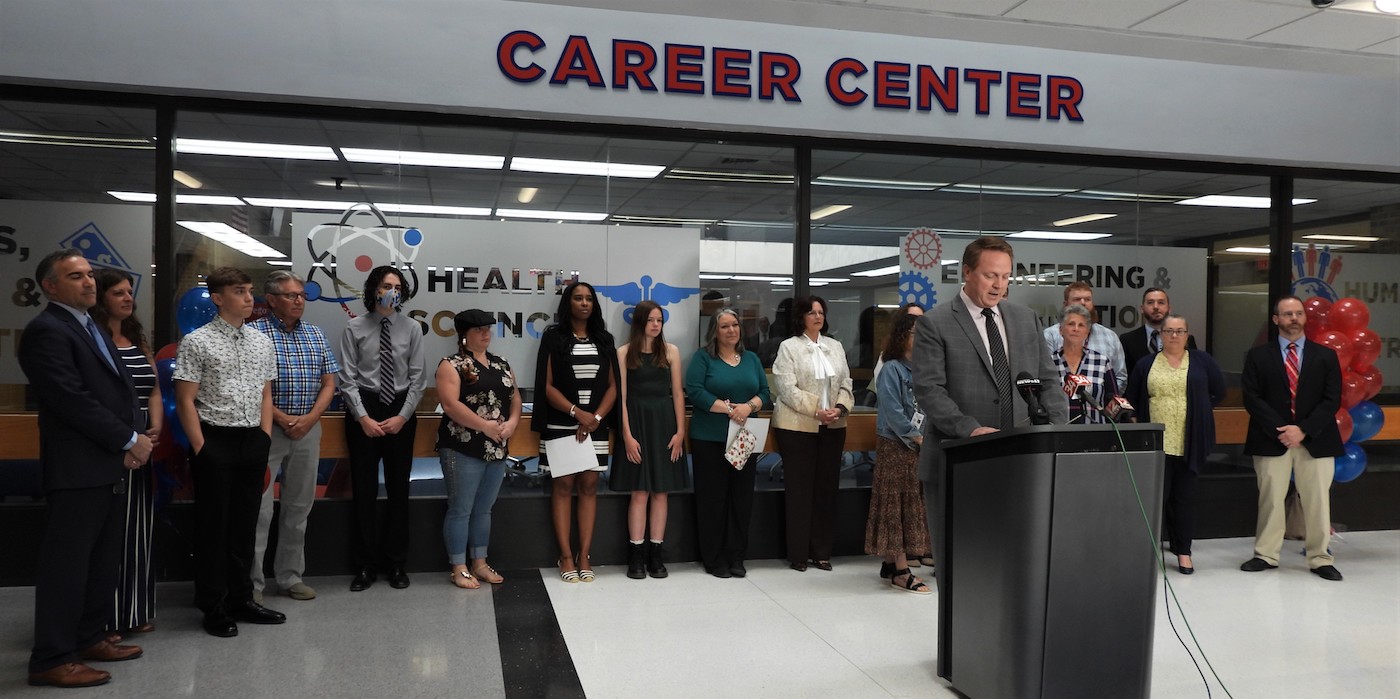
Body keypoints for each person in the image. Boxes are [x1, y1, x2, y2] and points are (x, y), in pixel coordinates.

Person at [20, 250, 151, 687]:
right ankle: (52, 659)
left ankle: (90, 637)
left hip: (109, 463)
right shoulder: (45, 331)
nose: (89, 283)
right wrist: (129, 439)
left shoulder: (90, 324)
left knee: (101, 561)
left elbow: (121, 388)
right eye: (76, 277)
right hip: (77, 468)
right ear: (51, 286)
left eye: (90, 275)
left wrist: (134, 437)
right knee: (67, 566)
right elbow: (71, 399)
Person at [911, 237, 1067, 579]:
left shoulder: (1025, 319)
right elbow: (929, 390)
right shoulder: (935, 323)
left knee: (1015, 568)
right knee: (963, 572)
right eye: (990, 275)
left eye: (1005, 276)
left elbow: (1049, 383)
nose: (999, 285)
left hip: (1022, 463)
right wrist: (970, 429)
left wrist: (1056, 432)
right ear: (966, 272)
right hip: (960, 460)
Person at [173, 266, 285, 636]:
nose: (249, 297)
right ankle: (213, 604)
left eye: (250, 290)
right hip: (214, 439)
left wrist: (265, 436)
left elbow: (266, 393)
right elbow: (186, 400)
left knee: (244, 525)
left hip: (252, 440)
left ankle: (242, 598)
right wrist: (201, 446)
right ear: (218, 298)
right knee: (213, 527)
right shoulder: (197, 341)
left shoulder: (261, 341)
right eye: (239, 291)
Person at [248, 271, 339, 603]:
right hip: (267, 430)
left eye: (301, 295)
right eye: (291, 295)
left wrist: (311, 418)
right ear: (271, 300)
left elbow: (330, 382)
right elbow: (253, 385)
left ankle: (289, 577)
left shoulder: (315, 334)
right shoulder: (254, 334)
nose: (299, 300)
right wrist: (283, 419)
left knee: (298, 507)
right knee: (259, 511)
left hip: (308, 430)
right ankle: (253, 585)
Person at [1239, 296, 1345, 581]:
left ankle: (1320, 558)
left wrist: (1304, 430)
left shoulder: (1326, 356)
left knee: (1317, 501)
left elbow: (1331, 399)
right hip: (1272, 439)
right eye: (1287, 314)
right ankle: (1266, 554)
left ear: (1305, 318)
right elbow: (1253, 398)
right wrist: (1284, 429)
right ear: (1276, 319)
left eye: (1298, 313)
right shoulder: (1258, 356)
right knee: (1271, 499)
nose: (1294, 319)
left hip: (1316, 439)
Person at [338, 265, 425, 592]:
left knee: (399, 490)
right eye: (387, 285)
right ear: (374, 289)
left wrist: (402, 416)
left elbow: (418, 378)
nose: (393, 291)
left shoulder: (412, 328)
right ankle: (364, 567)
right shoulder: (354, 327)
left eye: (398, 286)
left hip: (400, 409)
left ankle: (397, 564)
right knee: (364, 492)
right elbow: (347, 378)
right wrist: (362, 417)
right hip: (365, 408)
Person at [91, 269, 162, 637]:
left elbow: (151, 387)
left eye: (129, 292)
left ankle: (134, 610)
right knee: (110, 534)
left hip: (145, 446)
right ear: (101, 297)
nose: (127, 298)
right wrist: (128, 439)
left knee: (138, 531)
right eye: (118, 292)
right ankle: (105, 618)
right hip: (113, 447)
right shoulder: (93, 339)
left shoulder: (135, 338)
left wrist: (157, 426)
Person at [533, 281, 618, 583]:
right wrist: (576, 412)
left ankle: (584, 555)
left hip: (595, 424)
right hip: (561, 423)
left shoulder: (604, 339)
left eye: (589, 299)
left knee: (590, 487)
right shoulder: (553, 338)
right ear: (568, 303)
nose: (584, 303)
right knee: (563, 487)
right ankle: (566, 556)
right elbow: (546, 385)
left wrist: (594, 417)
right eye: (578, 298)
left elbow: (613, 387)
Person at [1125, 314, 1224, 575]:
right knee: (1155, 500)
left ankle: (1183, 552)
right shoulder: (1146, 364)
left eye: (1180, 331)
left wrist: (1201, 410)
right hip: (1157, 445)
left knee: (1184, 499)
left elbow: (1219, 390)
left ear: (1187, 334)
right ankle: (1148, 552)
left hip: (1189, 442)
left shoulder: (1202, 361)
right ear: (1161, 335)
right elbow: (1132, 399)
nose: (1174, 336)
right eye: (1169, 331)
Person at [436, 309, 521, 589]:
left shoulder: (501, 363)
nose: (485, 334)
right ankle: (459, 567)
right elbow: (450, 405)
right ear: (464, 334)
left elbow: (515, 396)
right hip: (462, 445)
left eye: (488, 329)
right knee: (461, 508)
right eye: (478, 330)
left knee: (484, 509)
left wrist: (511, 423)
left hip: (496, 446)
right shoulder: (452, 364)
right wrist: (483, 426)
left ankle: (480, 563)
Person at [684, 307, 772, 578]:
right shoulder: (702, 358)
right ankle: (714, 558)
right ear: (714, 331)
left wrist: (748, 407)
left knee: (741, 499)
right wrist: (726, 408)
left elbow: (765, 392)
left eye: (734, 325)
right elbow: (695, 391)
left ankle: (737, 556)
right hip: (710, 438)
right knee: (713, 500)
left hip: (744, 438)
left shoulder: (751, 359)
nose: (731, 330)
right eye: (724, 326)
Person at [772, 295, 854, 572]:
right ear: (801, 317)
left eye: (821, 312)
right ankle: (798, 554)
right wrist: (817, 409)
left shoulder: (835, 346)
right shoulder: (789, 347)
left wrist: (840, 408)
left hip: (833, 425)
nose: (817, 316)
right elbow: (786, 388)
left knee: (826, 490)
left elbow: (846, 381)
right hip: (798, 427)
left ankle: (822, 551)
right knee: (800, 491)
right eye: (811, 312)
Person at [613, 300, 688, 580]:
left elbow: (678, 394)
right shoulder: (623, 353)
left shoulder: (671, 352)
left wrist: (680, 432)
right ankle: (636, 556)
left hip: (665, 424)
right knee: (639, 492)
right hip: (635, 424)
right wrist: (627, 436)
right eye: (651, 320)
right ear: (640, 322)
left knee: (661, 492)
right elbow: (621, 397)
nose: (656, 325)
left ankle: (656, 555)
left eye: (660, 320)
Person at [865, 313, 931, 595]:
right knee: (896, 508)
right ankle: (902, 571)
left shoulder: (925, 369)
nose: (920, 339)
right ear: (902, 336)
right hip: (897, 446)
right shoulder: (891, 369)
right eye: (915, 333)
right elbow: (893, 412)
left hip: (917, 446)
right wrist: (917, 437)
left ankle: (892, 562)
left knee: (909, 506)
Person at [1041, 282, 1127, 393]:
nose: (1083, 303)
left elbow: (1120, 378)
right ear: (1065, 304)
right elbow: (1044, 375)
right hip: (1060, 406)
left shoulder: (1110, 337)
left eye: (1087, 299)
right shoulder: (1050, 335)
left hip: (1095, 407)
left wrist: (1100, 401)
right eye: (1077, 299)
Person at [1052, 303, 1118, 424]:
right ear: (1061, 330)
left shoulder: (1102, 362)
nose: (1076, 329)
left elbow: (1113, 401)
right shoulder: (1049, 362)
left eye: (1081, 325)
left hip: (1095, 434)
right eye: (1071, 324)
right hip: (1058, 434)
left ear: (1087, 332)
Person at [1120, 287, 1196, 382]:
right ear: (1142, 309)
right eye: (1150, 302)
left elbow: (1194, 373)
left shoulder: (1185, 338)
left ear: (1169, 308)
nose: (1156, 307)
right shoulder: (1127, 340)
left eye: (1161, 302)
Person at [869, 302, 924, 389]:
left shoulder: (929, 361)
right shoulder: (890, 365)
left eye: (920, 319)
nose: (915, 322)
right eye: (910, 319)